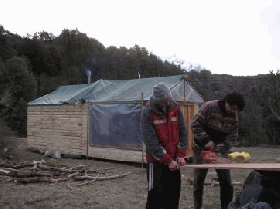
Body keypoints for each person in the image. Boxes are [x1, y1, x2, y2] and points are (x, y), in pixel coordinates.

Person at [191, 92, 246, 209]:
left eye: (236, 109)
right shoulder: (209, 107)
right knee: (198, 181)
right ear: (226, 102)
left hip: (220, 150)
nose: (233, 111)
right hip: (201, 148)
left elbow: (233, 136)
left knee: (226, 180)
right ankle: (197, 206)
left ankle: (226, 206)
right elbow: (195, 124)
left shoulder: (234, 116)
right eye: (232, 108)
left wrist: (221, 147)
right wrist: (206, 140)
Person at [142, 82, 188, 209]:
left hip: (174, 162)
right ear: (157, 100)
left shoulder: (176, 109)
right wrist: (167, 160)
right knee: (154, 197)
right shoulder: (148, 112)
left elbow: (183, 133)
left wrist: (180, 155)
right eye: (163, 101)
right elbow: (150, 141)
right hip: (156, 162)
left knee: (173, 197)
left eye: (167, 99)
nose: (166, 103)